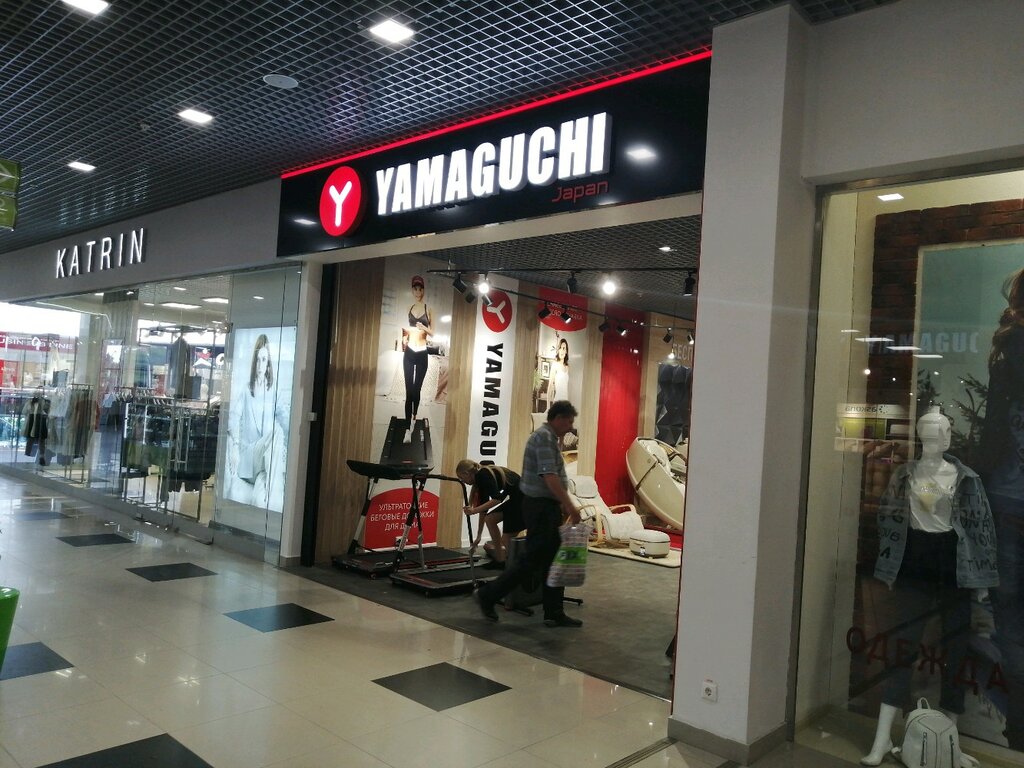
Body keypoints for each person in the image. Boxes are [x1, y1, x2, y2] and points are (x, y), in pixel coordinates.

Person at [861, 409, 998, 765]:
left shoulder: (967, 478)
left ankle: (951, 744)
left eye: (946, 432)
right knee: (902, 646)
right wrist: (889, 562)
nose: (942, 439)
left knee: (956, 650)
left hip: (954, 564)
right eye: (936, 433)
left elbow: (981, 529)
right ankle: (881, 739)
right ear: (923, 437)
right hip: (915, 561)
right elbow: (887, 516)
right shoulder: (905, 475)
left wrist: (982, 581)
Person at [473, 400, 583, 627]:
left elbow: (552, 477)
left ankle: (554, 611)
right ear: (558, 418)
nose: (571, 427)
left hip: (545, 507)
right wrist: (569, 505)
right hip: (540, 508)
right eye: (569, 421)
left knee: (551, 560)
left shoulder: (549, 438)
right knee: (531, 560)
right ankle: (488, 595)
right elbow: (549, 477)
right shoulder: (544, 439)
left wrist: (561, 504)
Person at [977, 267, 1024, 749]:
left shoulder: (1009, 348)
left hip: (1007, 494)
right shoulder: (1010, 348)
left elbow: (994, 428)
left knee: (1008, 612)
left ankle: (1019, 727)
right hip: (1007, 494)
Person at [229, 333, 282, 507]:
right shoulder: (246, 390)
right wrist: (235, 446)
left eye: (264, 360)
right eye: (258, 360)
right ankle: (273, 488)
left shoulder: (273, 391)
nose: (260, 365)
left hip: (263, 463)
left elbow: (284, 417)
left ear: (268, 364)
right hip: (249, 455)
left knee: (261, 499)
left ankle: (270, 491)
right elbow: (233, 418)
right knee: (277, 431)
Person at [455, 459, 524, 567]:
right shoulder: (480, 479)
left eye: (461, 478)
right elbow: (484, 510)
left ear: (466, 473)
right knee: (490, 519)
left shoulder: (483, 475)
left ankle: (517, 567)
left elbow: (497, 499)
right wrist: (478, 537)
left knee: (506, 539)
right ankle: (500, 560)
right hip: (517, 499)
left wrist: (473, 511)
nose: (462, 481)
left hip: (524, 501)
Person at [402, 275, 433, 444]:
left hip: (422, 352)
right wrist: (405, 337)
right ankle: (407, 429)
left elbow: (433, 333)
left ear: (423, 290)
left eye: (420, 289)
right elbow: (407, 328)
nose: (417, 292)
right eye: (415, 289)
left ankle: (414, 417)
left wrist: (424, 328)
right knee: (408, 392)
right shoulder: (409, 307)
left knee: (416, 390)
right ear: (412, 290)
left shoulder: (429, 309)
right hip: (409, 351)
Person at [548, 337, 570, 403]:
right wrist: (548, 407)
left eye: (564, 348)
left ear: (566, 351)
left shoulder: (567, 367)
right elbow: (550, 386)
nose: (562, 351)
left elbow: (566, 388)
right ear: (558, 350)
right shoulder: (555, 365)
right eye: (560, 348)